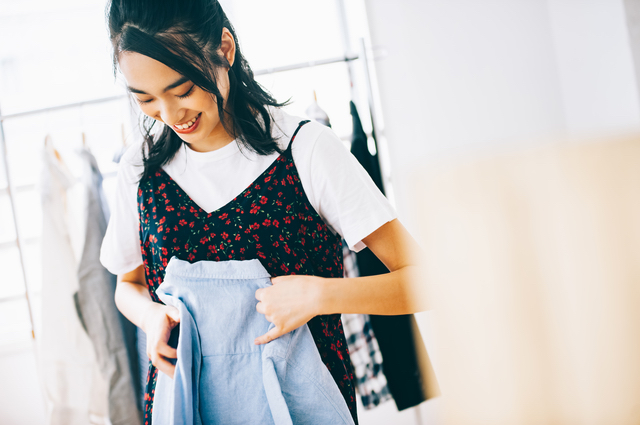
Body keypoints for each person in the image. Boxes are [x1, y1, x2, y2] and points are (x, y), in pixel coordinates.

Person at [100, 0, 428, 424]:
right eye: (145, 98)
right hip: (184, 405)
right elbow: (127, 284)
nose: (169, 114)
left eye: (183, 90)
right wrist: (150, 316)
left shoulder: (306, 151)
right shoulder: (140, 170)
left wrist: (321, 295)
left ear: (225, 49)